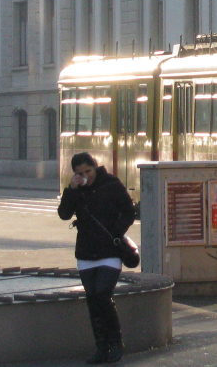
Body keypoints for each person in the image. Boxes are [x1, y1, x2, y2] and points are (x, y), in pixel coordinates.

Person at [57, 152, 135, 363]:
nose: (85, 176)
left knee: (102, 294)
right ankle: (101, 347)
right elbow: (64, 214)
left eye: (88, 171)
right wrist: (71, 190)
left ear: (95, 167)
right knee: (93, 300)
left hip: (109, 251)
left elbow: (129, 210)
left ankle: (116, 343)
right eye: (79, 173)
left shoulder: (111, 184)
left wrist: (117, 231)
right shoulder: (76, 190)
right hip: (85, 252)